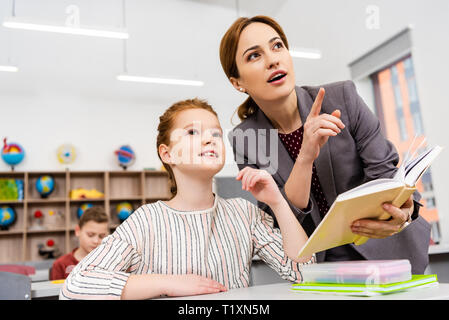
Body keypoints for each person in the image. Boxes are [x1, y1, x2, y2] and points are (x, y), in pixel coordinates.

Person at [220, 15, 431, 274]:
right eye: (254, 55)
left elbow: (387, 175)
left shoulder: (342, 97)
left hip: (388, 252)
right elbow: (281, 219)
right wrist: (305, 155)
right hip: (323, 269)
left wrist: (404, 212)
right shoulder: (245, 139)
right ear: (237, 82)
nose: (273, 59)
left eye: (277, 46)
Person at [59, 98, 315, 300]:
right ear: (167, 154)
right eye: (192, 132)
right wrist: (169, 282)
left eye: (216, 134)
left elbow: (305, 273)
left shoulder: (243, 213)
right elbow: (76, 285)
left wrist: (278, 203)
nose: (210, 139)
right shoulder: (146, 221)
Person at [50, 207, 109, 280]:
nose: (96, 241)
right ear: (77, 231)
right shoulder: (60, 265)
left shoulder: (109, 263)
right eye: (90, 235)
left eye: (101, 236)